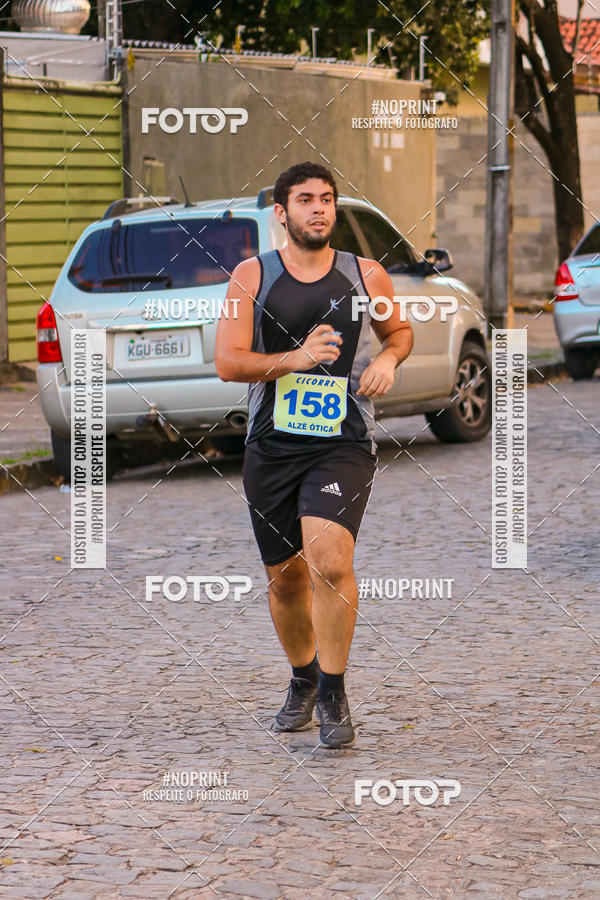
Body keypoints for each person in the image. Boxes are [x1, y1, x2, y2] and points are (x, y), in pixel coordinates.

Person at [215, 161, 413, 749]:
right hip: (271, 445)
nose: (319, 209)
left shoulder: (367, 274)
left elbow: (399, 332)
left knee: (328, 559)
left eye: (327, 199)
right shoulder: (250, 277)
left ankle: (333, 689)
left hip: (343, 442)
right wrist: (295, 359)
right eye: (306, 200)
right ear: (282, 213)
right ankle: (302, 678)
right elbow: (228, 362)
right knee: (285, 578)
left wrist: (386, 360)